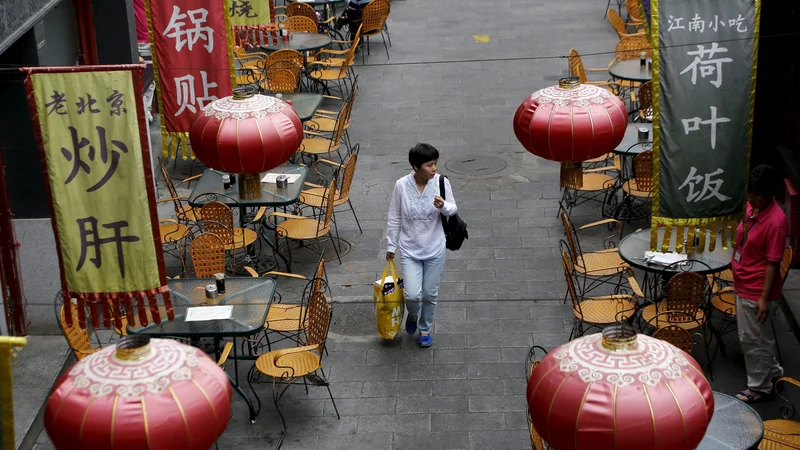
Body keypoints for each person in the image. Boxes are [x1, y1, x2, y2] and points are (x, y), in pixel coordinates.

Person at [385, 143, 457, 348]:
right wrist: (391, 246)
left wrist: (443, 206)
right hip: (410, 249)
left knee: (429, 294)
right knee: (413, 295)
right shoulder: (401, 185)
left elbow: (453, 209)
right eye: (429, 165)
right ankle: (413, 315)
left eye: (435, 164)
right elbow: (394, 216)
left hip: (435, 248)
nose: (434, 168)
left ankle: (425, 328)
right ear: (415, 167)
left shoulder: (441, 182)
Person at [732, 164, 789, 403]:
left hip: (756, 289)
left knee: (752, 338)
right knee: (759, 335)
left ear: (769, 194)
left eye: (757, 194)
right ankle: (772, 371)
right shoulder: (753, 208)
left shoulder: (776, 222)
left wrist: (763, 298)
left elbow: (773, 263)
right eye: (750, 193)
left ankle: (759, 387)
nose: (751, 198)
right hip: (743, 278)